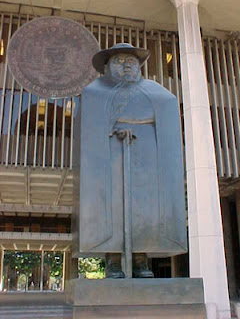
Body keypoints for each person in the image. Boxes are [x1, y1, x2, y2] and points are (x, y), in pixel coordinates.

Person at [73, 43, 187, 278]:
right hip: (109, 162)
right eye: (119, 61)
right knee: (112, 207)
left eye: (131, 62)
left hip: (145, 162)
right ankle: (113, 260)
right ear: (107, 67)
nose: (126, 66)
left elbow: (166, 114)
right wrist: (113, 132)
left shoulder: (156, 92)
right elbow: (90, 127)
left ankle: (140, 260)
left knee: (145, 208)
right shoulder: (94, 92)